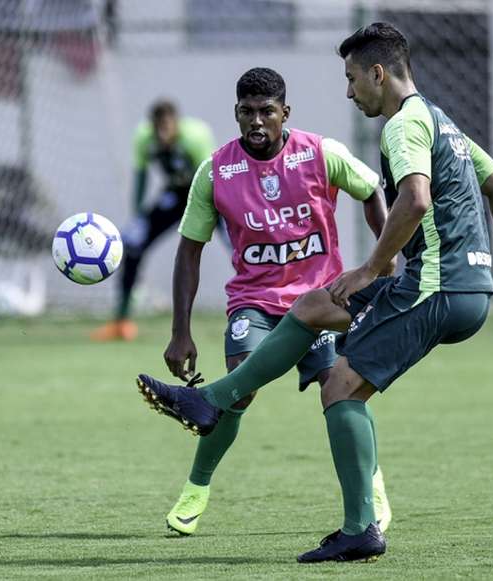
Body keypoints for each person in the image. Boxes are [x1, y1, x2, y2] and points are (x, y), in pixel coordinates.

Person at [136, 23, 493, 563]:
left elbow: (414, 199)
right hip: (466, 285)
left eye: (352, 79)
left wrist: (373, 267)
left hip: (437, 286)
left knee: (341, 387)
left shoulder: (401, 127)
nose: (349, 92)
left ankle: (360, 528)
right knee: (315, 306)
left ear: (378, 73)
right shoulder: (443, 122)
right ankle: (211, 402)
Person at [156, 67, 395, 536]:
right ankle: (196, 488)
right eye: (247, 112)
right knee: (238, 387)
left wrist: (381, 259)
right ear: (236, 114)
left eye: (267, 111)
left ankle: (372, 487)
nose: (257, 121)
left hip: (323, 299)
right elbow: (189, 250)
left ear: (285, 113)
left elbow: (371, 192)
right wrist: (180, 331)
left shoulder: (322, 153)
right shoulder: (216, 171)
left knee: (342, 386)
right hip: (255, 302)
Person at [92, 100, 215, 341]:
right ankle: (121, 320)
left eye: (167, 127)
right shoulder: (143, 138)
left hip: (209, 196)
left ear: (176, 124)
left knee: (239, 247)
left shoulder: (196, 136)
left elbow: (212, 176)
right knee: (134, 244)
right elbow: (141, 176)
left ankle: (263, 310)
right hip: (175, 195)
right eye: (158, 128)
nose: (162, 134)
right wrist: (139, 216)